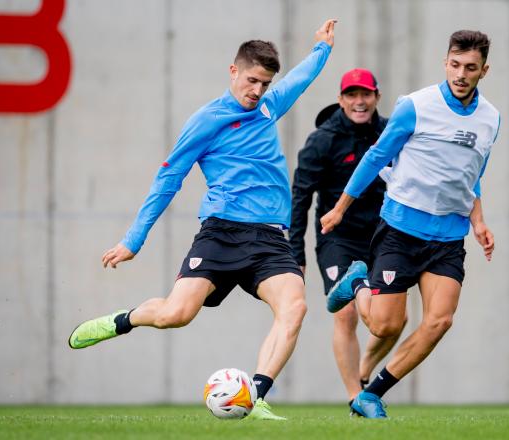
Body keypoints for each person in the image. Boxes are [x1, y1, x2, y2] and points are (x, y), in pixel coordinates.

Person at [68, 19, 337, 421]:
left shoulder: (267, 106)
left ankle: (257, 395)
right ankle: (123, 320)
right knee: (175, 315)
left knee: (294, 306)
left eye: (264, 83)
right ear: (233, 70)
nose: (257, 91)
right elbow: (167, 181)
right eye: (251, 80)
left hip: (269, 239)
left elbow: (299, 79)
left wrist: (322, 48)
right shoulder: (206, 121)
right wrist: (132, 240)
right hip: (221, 234)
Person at [320, 30, 499, 418]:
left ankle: (374, 393)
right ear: (445, 62)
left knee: (440, 320)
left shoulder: (491, 118)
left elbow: (472, 173)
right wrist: (339, 208)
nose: (461, 74)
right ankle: (359, 283)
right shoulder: (416, 106)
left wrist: (479, 220)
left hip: (449, 235)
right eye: (455, 65)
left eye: (470, 67)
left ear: (484, 70)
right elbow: (374, 157)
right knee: (386, 326)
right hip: (401, 229)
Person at [289, 68, 403, 413]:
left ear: (377, 97)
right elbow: (300, 197)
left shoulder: (390, 133)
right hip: (338, 238)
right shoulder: (322, 141)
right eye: (351, 95)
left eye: (365, 94)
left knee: (395, 320)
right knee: (347, 313)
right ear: (341, 100)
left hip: (384, 236)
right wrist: (296, 253)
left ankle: (365, 370)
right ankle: (356, 396)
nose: (359, 102)